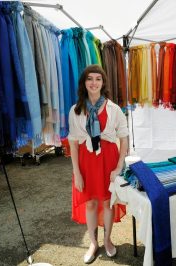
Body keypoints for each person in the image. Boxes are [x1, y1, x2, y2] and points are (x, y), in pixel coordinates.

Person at [68, 65, 129, 264]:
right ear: (84, 83)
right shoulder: (75, 110)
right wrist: (77, 172)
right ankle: (93, 243)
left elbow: (124, 138)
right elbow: (73, 144)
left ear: (103, 83)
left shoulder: (114, 109)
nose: (94, 83)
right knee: (91, 203)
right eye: (90, 79)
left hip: (108, 162)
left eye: (98, 79)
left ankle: (107, 239)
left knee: (107, 202)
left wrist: (119, 167)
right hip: (86, 163)